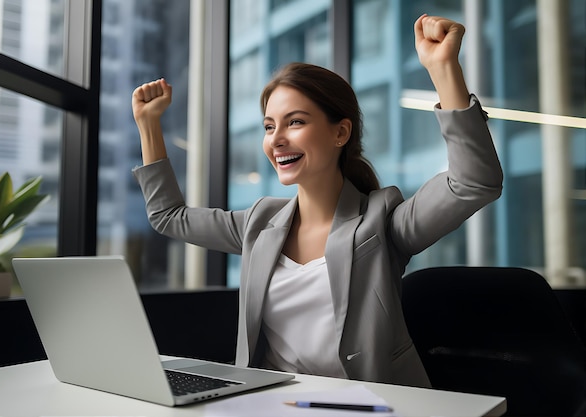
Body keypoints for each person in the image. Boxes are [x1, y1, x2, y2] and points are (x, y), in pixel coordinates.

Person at [131, 14, 503, 388]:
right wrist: (149, 125)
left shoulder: (382, 219)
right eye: (268, 126)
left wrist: (443, 70)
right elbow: (168, 216)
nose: (276, 139)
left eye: (294, 122)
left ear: (340, 132)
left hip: (371, 405)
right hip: (270, 404)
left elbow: (474, 181)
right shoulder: (259, 223)